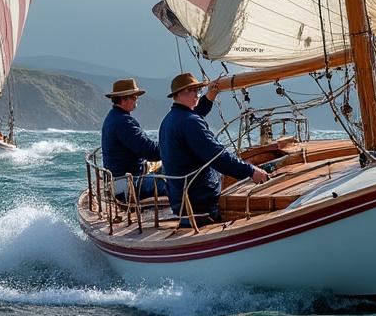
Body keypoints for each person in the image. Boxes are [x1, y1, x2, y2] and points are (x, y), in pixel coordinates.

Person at [159, 72, 268, 227]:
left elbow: (194, 114)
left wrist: (211, 94)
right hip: (201, 204)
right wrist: (250, 171)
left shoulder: (170, 119)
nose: (197, 94)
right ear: (180, 94)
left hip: (181, 201)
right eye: (193, 91)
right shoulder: (190, 122)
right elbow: (217, 156)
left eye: (198, 90)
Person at [100, 78, 166, 201]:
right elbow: (149, 151)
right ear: (124, 99)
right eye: (135, 97)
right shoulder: (124, 122)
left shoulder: (114, 117)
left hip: (119, 182)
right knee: (174, 184)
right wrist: (172, 148)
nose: (137, 99)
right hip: (129, 185)